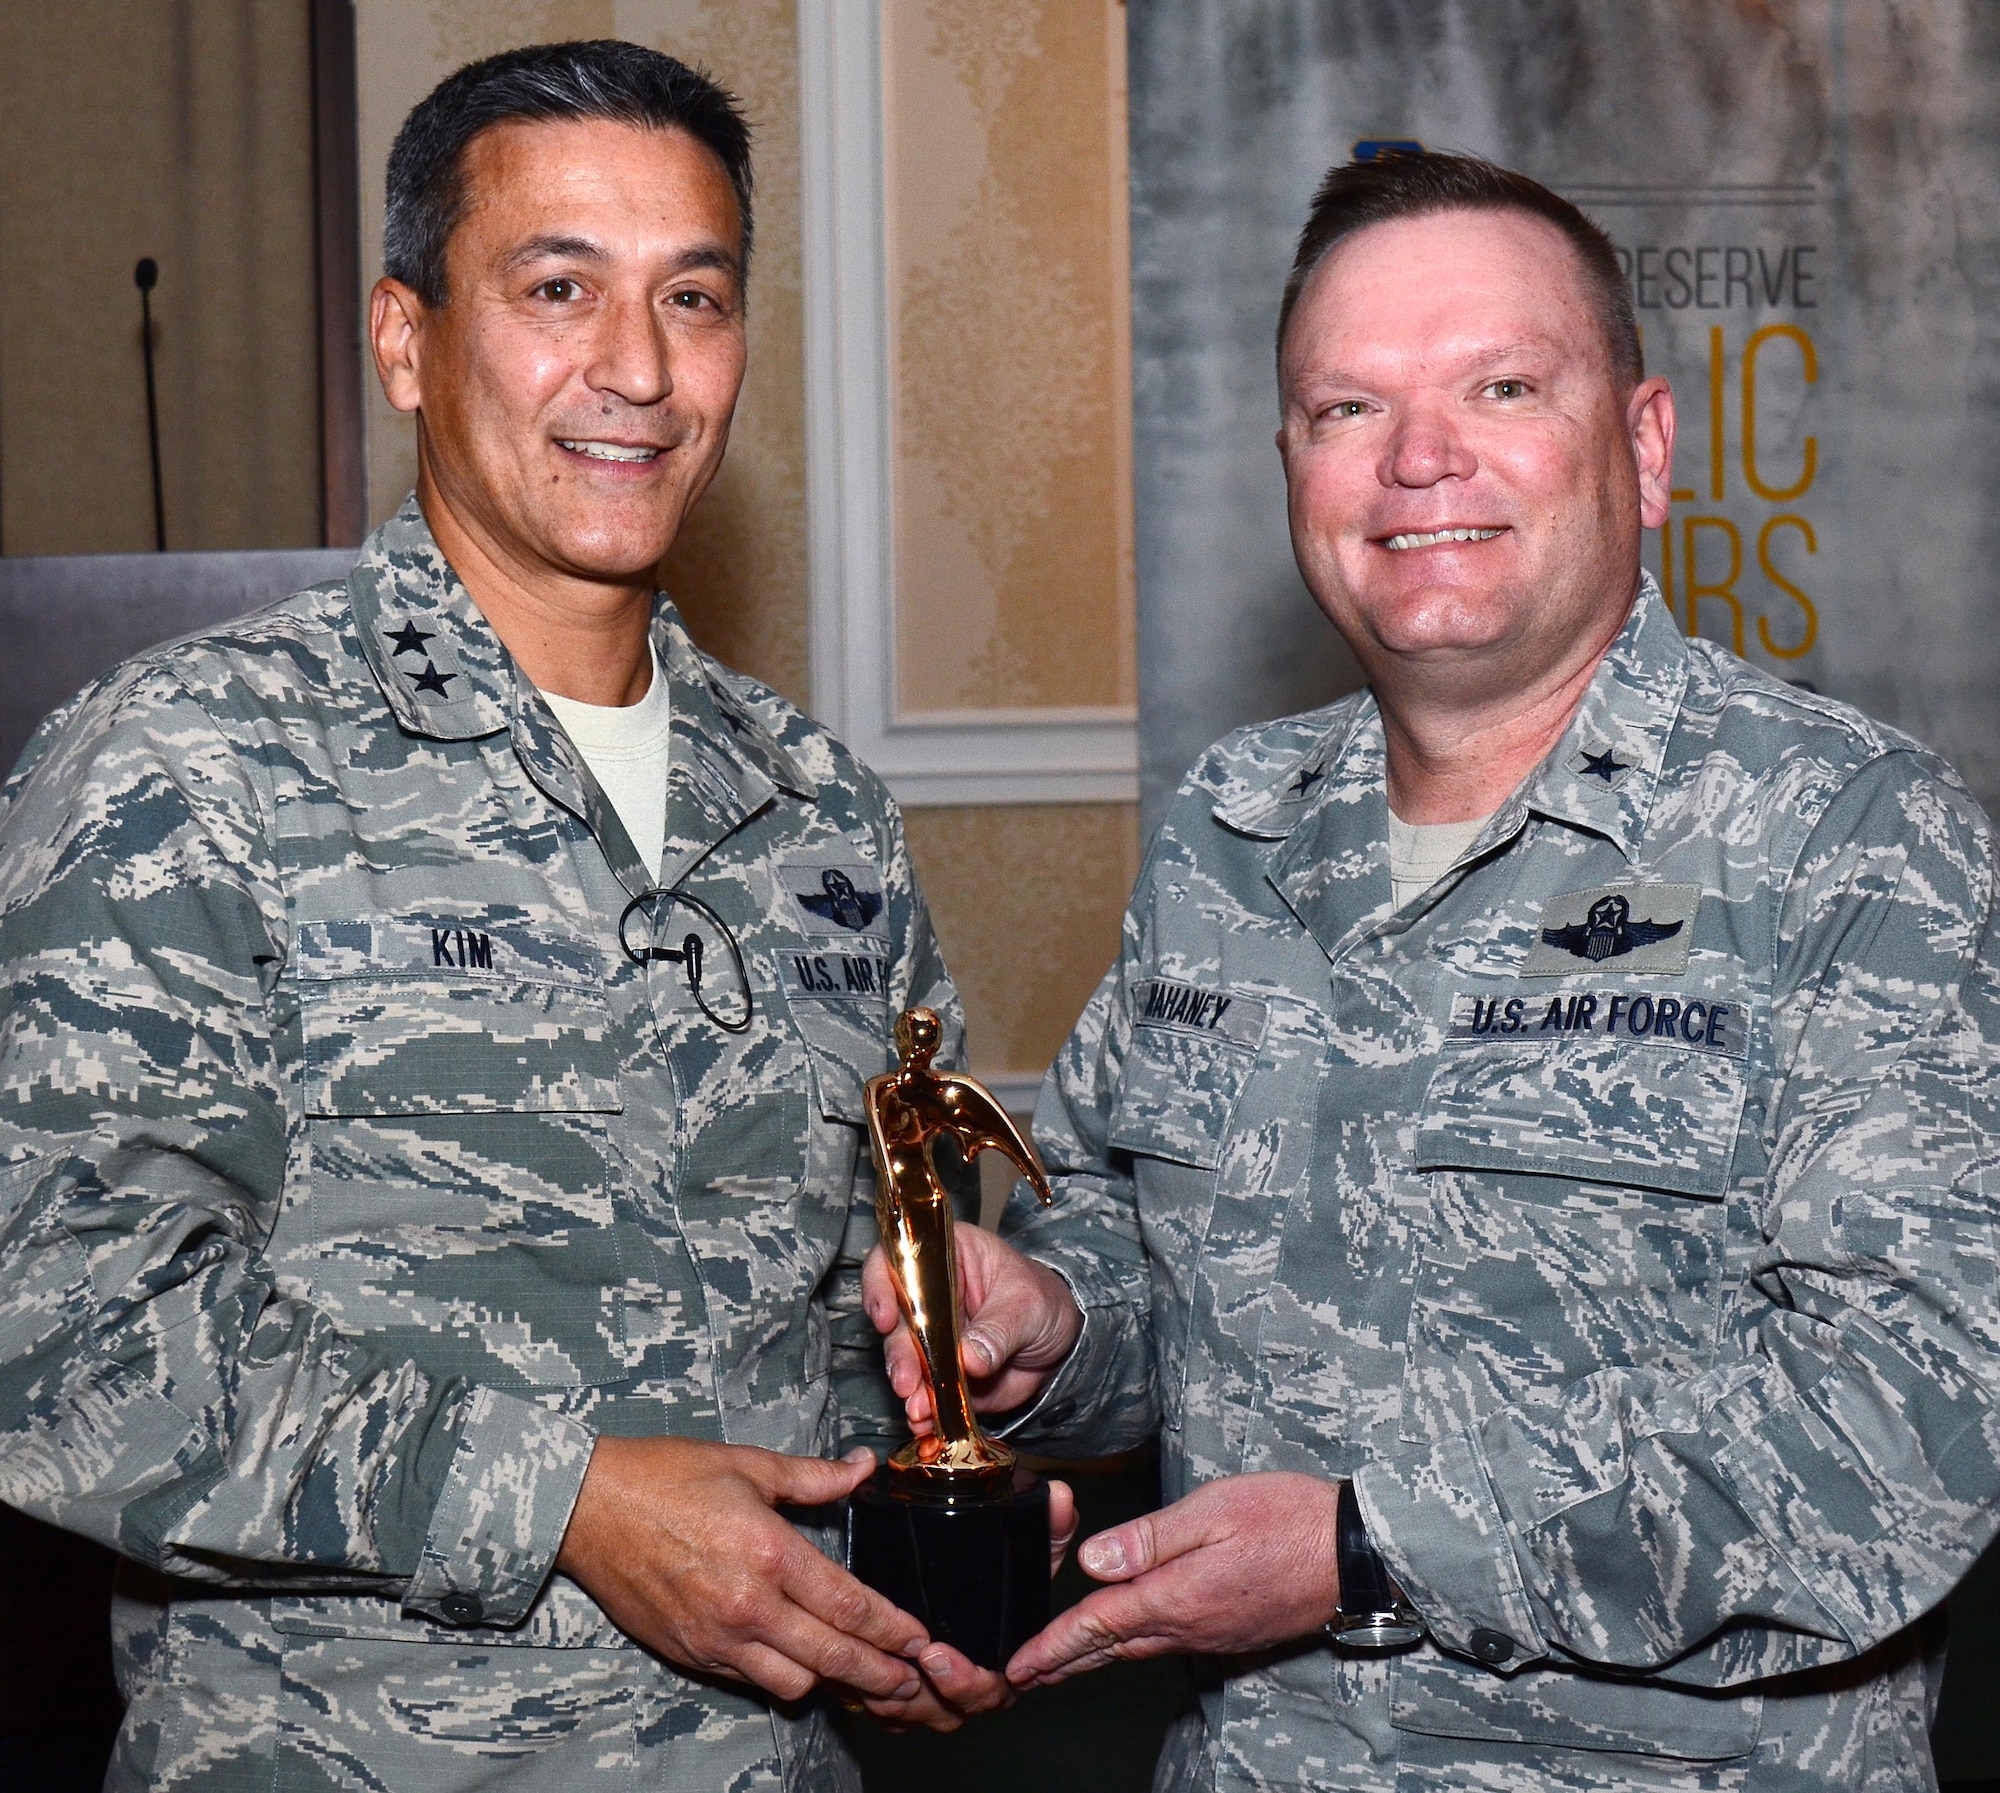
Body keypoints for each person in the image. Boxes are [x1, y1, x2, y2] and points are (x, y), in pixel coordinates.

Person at [870, 152, 2000, 1790]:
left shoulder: (1848, 837)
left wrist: (1369, 1549)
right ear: (1289, 468)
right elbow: (1135, 1255)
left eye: (1502, 385)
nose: (1417, 460)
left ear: (1646, 447)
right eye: (1346, 410)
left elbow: (1911, 1424)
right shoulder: (1227, 830)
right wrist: (1045, 1323)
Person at [0, 39, 1027, 1792]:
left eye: (693, 298)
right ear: (405, 338)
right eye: (559, 288)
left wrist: (909, 1567)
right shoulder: (195, 764)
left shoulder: (818, 813)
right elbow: (57, 1334)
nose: (635, 368)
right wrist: (561, 1500)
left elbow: (873, 1318)